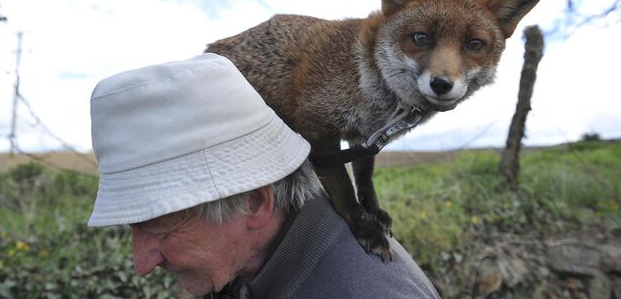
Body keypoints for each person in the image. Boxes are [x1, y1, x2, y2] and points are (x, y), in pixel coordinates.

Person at [87, 53, 440, 299]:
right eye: (134, 225)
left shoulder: (367, 291)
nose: (142, 264)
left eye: (159, 225)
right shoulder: (249, 261)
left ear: (255, 201)